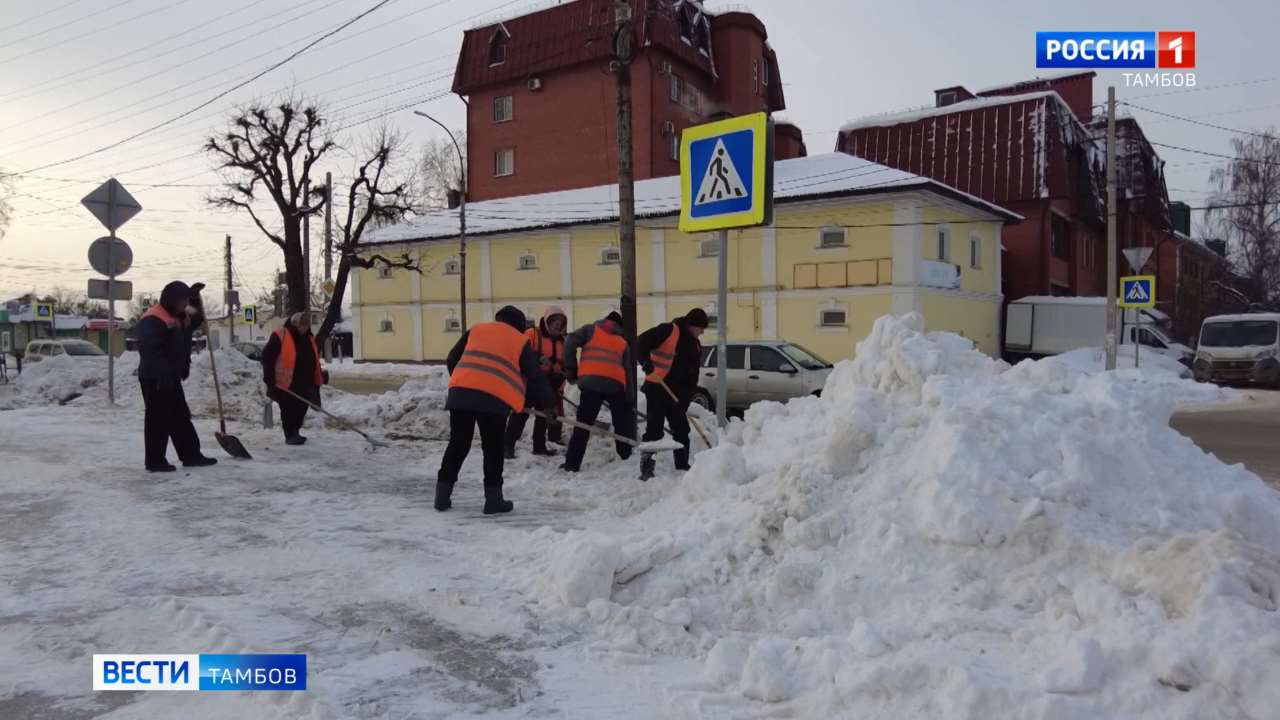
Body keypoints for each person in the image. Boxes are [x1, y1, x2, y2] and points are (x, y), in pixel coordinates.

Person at [436, 306, 555, 515]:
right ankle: (493, 500)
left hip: (461, 394)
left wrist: (463, 381)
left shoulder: (476, 330)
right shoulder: (519, 340)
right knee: (493, 449)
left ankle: (441, 497)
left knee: (458, 444)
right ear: (519, 326)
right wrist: (549, 405)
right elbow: (535, 376)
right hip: (494, 399)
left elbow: (452, 359)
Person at [136, 281, 218, 472]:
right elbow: (150, 349)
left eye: (187, 301)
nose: (185, 305)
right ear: (172, 300)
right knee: (158, 419)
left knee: (180, 417)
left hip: (170, 376)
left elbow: (196, 318)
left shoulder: (180, 316)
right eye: (183, 301)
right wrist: (162, 374)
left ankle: (191, 455)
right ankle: (155, 461)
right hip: (155, 377)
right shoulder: (153, 318)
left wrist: (195, 298)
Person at [635, 309, 709, 481]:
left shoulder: (695, 344)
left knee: (682, 429)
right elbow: (640, 343)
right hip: (658, 388)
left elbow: (693, 375)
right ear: (692, 325)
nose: (702, 332)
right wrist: (646, 363)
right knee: (654, 431)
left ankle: (682, 465)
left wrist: (685, 399)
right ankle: (647, 470)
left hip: (678, 395)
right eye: (701, 328)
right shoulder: (669, 330)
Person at [560, 311, 638, 473]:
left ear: (604, 321)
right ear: (619, 327)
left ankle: (572, 464)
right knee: (621, 425)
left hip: (591, 383)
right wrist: (629, 399)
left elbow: (570, 340)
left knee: (583, 425)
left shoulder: (590, 330)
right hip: (615, 385)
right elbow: (628, 371)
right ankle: (626, 459)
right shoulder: (622, 342)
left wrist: (571, 368)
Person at [504, 306, 568, 458]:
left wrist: (560, 378)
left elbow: (565, 366)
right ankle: (507, 446)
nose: (557, 325)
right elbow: (520, 349)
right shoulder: (533, 334)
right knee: (520, 414)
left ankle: (539, 446)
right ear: (547, 321)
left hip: (549, 385)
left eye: (560, 322)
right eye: (554, 321)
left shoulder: (563, 342)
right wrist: (538, 357)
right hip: (530, 382)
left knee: (543, 417)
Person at [261, 312, 329, 446]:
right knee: (288, 409)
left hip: (306, 381)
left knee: (301, 407)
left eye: (306, 325)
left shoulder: (309, 338)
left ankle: (296, 432)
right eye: (301, 325)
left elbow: (314, 359)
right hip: (287, 382)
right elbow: (267, 357)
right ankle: (289, 434)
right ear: (295, 324)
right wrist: (269, 378)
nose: (304, 328)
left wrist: (318, 377)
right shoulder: (281, 335)